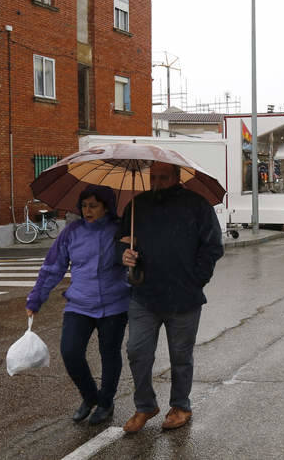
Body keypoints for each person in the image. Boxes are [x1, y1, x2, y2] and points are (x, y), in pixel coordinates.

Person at [118, 162, 224, 433]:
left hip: (184, 297)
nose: (157, 182)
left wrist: (196, 279)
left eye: (163, 177)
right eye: (153, 177)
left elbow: (213, 246)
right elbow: (121, 240)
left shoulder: (197, 205)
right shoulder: (137, 205)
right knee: (137, 351)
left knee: (180, 357)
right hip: (144, 295)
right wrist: (124, 254)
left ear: (177, 177)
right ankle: (145, 406)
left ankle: (180, 406)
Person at [26, 185, 129, 426]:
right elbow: (53, 267)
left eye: (93, 206)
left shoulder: (121, 230)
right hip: (79, 304)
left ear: (106, 207)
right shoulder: (71, 232)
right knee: (70, 352)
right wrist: (36, 298)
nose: (87, 211)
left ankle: (106, 403)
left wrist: (131, 249)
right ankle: (90, 396)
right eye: (84, 206)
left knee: (109, 354)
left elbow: (138, 263)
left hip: (114, 304)